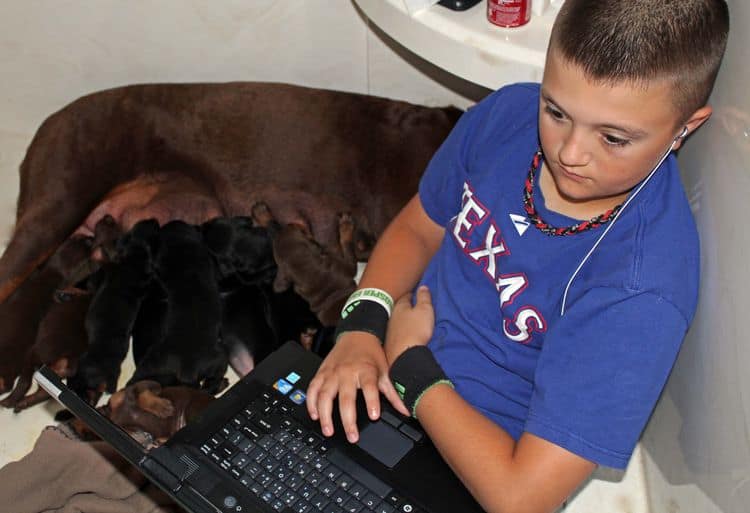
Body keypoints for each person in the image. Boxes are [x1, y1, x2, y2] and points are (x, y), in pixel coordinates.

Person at [306, 1, 730, 512]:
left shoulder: (641, 287)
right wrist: (361, 324)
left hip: (472, 462)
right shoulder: (508, 113)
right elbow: (421, 225)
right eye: (556, 111)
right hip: (380, 366)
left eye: (614, 138)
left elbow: (520, 499)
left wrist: (409, 365)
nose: (570, 152)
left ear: (686, 126)